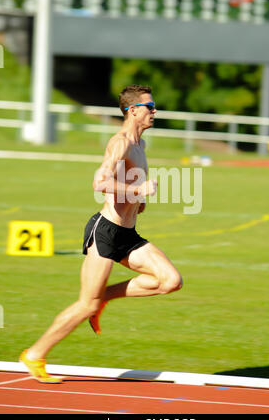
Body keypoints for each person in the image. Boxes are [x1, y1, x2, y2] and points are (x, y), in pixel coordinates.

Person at [20, 84, 183, 383]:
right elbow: (99, 183)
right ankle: (34, 355)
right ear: (133, 111)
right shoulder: (119, 143)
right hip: (106, 232)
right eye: (150, 106)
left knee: (171, 281)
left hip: (129, 234)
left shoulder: (141, 146)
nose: (154, 111)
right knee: (86, 305)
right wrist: (138, 189)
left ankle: (104, 297)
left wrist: (138, 200)